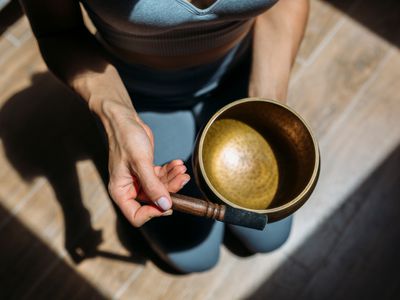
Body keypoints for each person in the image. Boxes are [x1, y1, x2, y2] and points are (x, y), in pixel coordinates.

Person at [20, 0, 309, 273]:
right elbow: (58, 32)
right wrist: (116, 119)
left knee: (269, 236)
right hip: (138, 92)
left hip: (241, 70)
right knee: (195, 256)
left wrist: (267, 104)